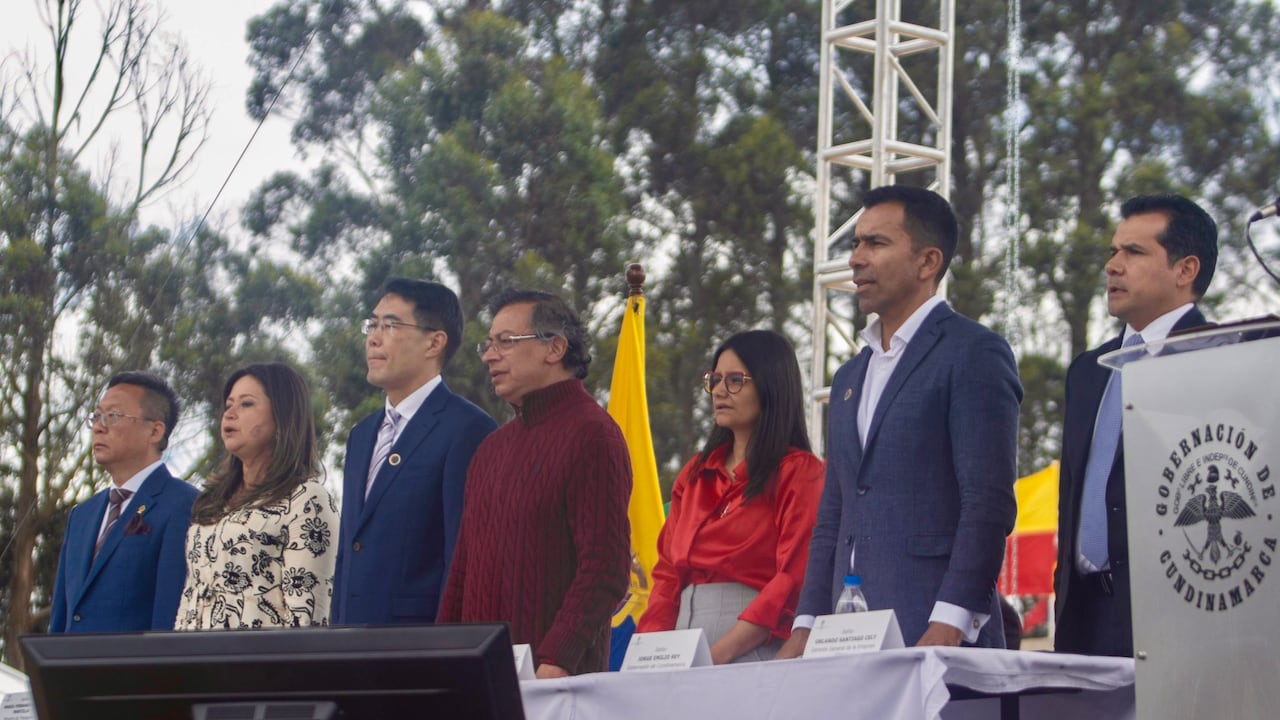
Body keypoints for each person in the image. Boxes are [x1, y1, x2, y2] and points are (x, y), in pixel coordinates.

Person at [777, 185, 1022, 656]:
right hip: (843, 638)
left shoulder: (973, 353)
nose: (855, 259)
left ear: (928, 262)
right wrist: (806, 622)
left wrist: (951, 620)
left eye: (876, 243)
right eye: (855, 243)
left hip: (935, 631)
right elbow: (833, 514)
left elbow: (986, 501)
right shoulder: (850, 375)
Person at [1054, 194, 1217, 657]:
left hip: (1180, 622)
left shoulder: (1223, 358)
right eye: (1113, 251)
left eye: (1134, 252)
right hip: (1083, 621)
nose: (1113, 265)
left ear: (1186, 270)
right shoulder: (1088, 370)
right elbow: (1073, 497)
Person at [438, 289, 631, 678]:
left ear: (555, 348)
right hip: (481, 684)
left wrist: (555, 662)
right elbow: (461, 574)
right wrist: (444, 662)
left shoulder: (594, 435)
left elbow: (604, 569)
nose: (490, 356)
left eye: (505, 342)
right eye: (489, 344)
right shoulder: (490, 450)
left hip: (555, 689)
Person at [636, 330, 824, 663]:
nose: (720, 391)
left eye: (736, 380)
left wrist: (716, 657)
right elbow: (667, 576)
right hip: (681, 644)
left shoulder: (800, 472)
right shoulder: (695, 475)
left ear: (771, 387)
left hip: (752, 643)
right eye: (715, 379)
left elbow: (792, 578)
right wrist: (649, 654)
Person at [331, 279, 496, 625]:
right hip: (351, 647)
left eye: (390, 325)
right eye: (372, 324)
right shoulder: (361, 436)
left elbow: (462, 558)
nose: (373, 337)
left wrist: (448, 652)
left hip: (418, 650)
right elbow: (349, 554)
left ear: (434, 342)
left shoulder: (466, 429)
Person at [175, 362, 339, 629]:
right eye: (228, 405)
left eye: (246, 404)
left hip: (259, 666)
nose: (230, 413)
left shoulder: (307, 499)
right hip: (193, 663)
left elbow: (308, 619)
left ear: (283, 415)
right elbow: (189, 599)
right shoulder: (213, 500)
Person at [50, 372, 198, 632]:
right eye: (96, 416)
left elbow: (168, 618)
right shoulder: (82, 516)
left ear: (155, 431)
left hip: (133, 671)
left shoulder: (183, 505)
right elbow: (62, 620)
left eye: (114, 416)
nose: (99, 426)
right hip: (73, 671)